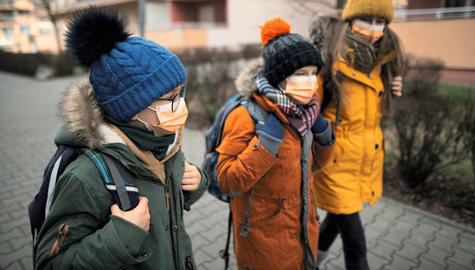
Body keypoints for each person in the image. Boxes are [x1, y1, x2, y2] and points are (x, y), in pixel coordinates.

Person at [34, 7, 208, 270]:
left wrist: (197, 183)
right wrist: (120, 236)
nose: (179, 104)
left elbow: (166, 200)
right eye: (169, 98)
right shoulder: (85, 176)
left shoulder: (162, 142)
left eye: (180, 93)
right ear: (130, 107)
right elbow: (50, 263)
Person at [216, 17, 335, 270]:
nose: (310, 82)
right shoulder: (246, 115)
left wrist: (324, 136)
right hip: (263, 242)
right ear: (278, 77)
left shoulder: (305, 114)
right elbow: (227, 180)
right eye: (300, 74)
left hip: (303, 230)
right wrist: (265, 143)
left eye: (314, 74)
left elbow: (313, 167)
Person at [309, 0, 405, 269]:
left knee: (336, 220)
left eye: (380, 22)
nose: (374, 29)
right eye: (367, 20)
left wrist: (394, 87)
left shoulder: (381, 60)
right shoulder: (329, 59)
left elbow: (371, 113)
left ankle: (310, 261)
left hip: (363, 161)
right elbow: (308, 110)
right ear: (350, 20)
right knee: (356, 244)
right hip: (333, 163)